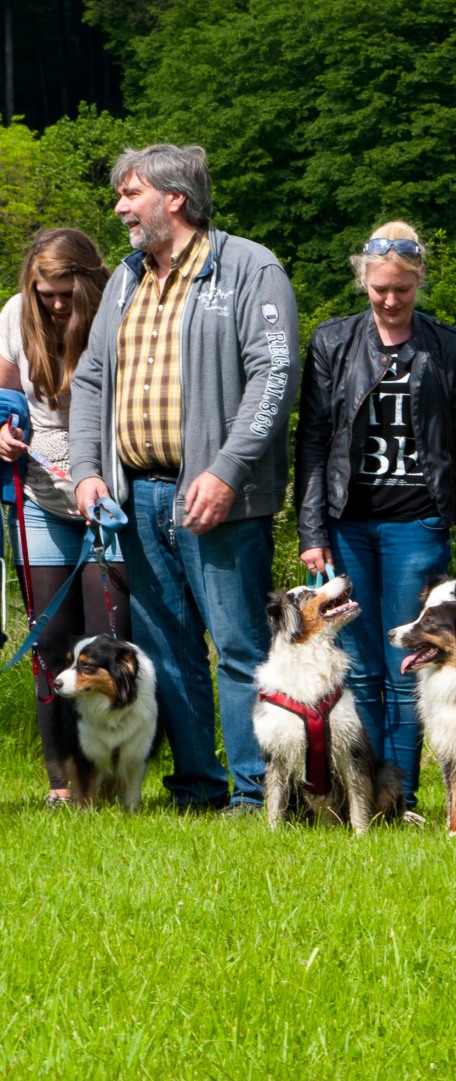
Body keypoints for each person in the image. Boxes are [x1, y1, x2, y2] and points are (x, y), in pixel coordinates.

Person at [69, 144, 300, 814]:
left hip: (219, 498)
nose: (119, 209)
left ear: (174, 198)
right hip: (136, 496)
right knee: (166, 650)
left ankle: (259, 792)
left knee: (236, 645)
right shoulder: (123, 279)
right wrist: (87, 473)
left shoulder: (250, 267)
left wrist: (226, 471)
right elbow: (90, 381)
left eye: (130, 194)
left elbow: (273, 378)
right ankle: (198, 786)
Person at [295, 221, 456, 819]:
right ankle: (365, 793)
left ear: (419, 280)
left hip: (418, 522)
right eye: (380, 288)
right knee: (364, 666)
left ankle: (401, 797)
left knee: (408, 663)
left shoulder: (448, 347)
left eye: (402, 288)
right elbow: (315, 441)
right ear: (364, 281)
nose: (390, 299)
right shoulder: (331, 343)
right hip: (348, 521)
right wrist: (312, 531)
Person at [0, 228, 131, 808]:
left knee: (108, 641)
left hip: (106, 492)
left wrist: (94, 476)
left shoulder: (118, 308)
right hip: (38, 495)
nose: (55, 305)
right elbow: (4, 398)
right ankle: (63, 785)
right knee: (50, 643)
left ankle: (112, 779)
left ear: (88, 282)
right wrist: (3, 430)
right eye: (44, 293)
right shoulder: (13, 315)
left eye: (64, 294)